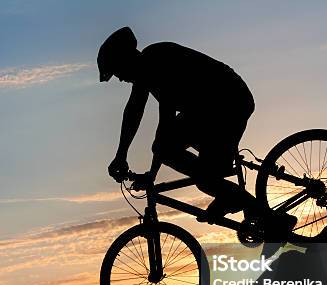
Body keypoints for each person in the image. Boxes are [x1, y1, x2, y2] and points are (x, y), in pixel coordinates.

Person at [98, 26, 296, 240]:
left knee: (205, 178)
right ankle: (236, 199)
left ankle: (272, 218)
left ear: (126, 60)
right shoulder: (145, 73)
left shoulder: (158, 60)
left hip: (228, 103)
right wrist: (121, 155)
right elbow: (133, 112)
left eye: (117, 71)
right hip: (208, 110)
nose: (119, 78)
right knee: (201, 171)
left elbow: (166, 120)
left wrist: (152, 174)